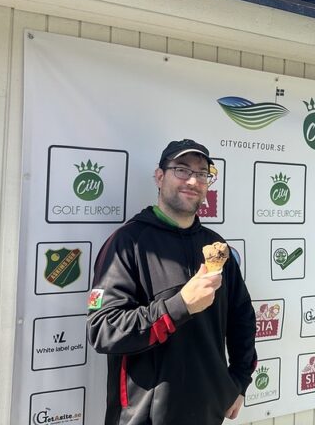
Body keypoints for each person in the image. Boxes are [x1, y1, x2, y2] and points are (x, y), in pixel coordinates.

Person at [87, 139, 257, 425]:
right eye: (181, 169)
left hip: (207, 414)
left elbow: (243, 318)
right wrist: (180, 306)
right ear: (159, 176)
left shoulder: (216, 247)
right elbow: (103, 330)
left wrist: (239, 382)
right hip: (142, 417)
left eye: (201, 173)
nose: (192, 180)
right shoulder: (127, 243)